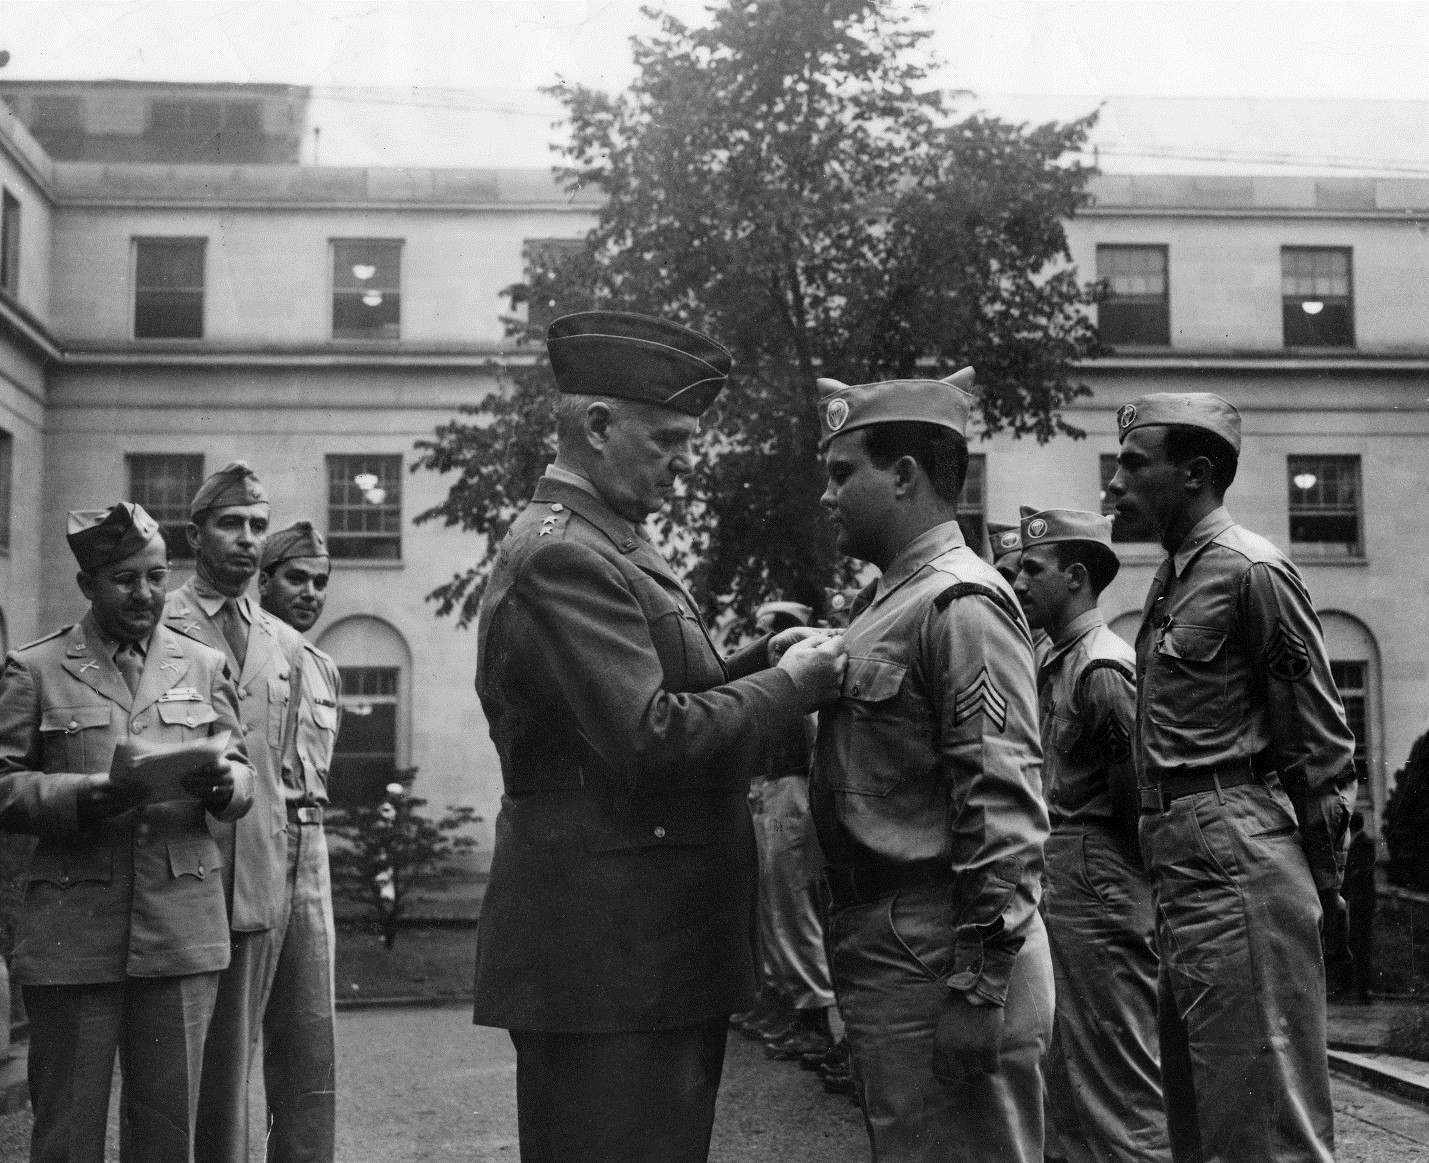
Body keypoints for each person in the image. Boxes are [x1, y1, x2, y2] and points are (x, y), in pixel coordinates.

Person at [471, 310, 847, 1163]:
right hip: (612, 954)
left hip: (639, 944)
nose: (681, 467)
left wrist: (759, 657)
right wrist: (788, 688)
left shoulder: (607, 541)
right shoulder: (567, 554)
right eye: (670, 441)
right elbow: (647, 734)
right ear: (598, 426)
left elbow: (661, 686)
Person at [1105, 392, 1358, 1163]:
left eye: (1132, 464)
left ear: (1195, 473)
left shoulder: (1252, 570)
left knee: (1265, 1123)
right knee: (1202, 1119)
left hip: (1235, 855)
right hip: (1182, 859)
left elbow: (1316, 743)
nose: (1114, 482)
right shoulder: (1171, 579)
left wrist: (1328, 885)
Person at [808, 370, 1053, 1162]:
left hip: (939, 948)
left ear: (905, 475)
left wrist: (978, 987)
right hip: (897, 943)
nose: (826, 496)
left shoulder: (961, 603)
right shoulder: (889, 602)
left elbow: (1002, 806)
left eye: (843, 473)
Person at [0, 502, 253, 1163]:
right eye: (124, 579)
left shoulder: (202, 664)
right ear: (88, 584)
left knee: (169, 1133)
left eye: (155, 576)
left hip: (180, 928)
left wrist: (228, 789)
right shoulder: (37, 668)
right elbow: (2, 786)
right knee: (67, 1133)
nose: (145, 594)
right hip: (74, 933)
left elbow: (245, 774)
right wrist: (83, 795)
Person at [1013, 508, 1169, 1163]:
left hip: (1098, 875)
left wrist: (1126, 887)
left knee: (1114, 1077)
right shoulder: (1060, 658)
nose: (1018, 581)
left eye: (1031, 567)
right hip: (1068, 871)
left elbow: (1130, 795)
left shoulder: (1101, 667)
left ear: (1075, 576)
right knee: (1067, 1071)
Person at [163, 462, 308, 1163]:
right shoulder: (159, 622)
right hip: (177, 876)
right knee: (168, 1081)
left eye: (258, 526)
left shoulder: (281, 641)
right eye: (231, 524)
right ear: (194, 533)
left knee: (232, 1074)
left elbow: (279, 763)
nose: (248, 540)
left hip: (256, 878)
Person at [255, 521, 343, 1161]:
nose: (311, 592)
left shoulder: (323, 669)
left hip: (309, 851)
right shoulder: (228, 652)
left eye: (320, 582)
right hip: (245, 845)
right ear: (263, 581)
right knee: (227, 1043)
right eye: (296, 578)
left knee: (311, 1038)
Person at [742, 601, 836, 1064]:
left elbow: (810, 745)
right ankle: (788, 1003)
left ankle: (814, 1017)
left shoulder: (797, 693)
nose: (760, 641)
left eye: (767, 633)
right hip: (771, 790)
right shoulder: (778, 689)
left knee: (793, 906)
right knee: (775, 905)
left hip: (790, 790)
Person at [989, 518, 1051, 668]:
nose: (1016, 586)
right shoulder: (994, 645)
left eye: (1028, 572)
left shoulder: (1047, 654)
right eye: (1004, 577)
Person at [1344, 810, 1376, 1004]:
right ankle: (1360, 990)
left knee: (1361, 947)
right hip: (1360, 902)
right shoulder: (1360, 842)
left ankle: (1364, 991)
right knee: (1357, 946)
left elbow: (1362, 872)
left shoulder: (1363, 843)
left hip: (1361, 903)